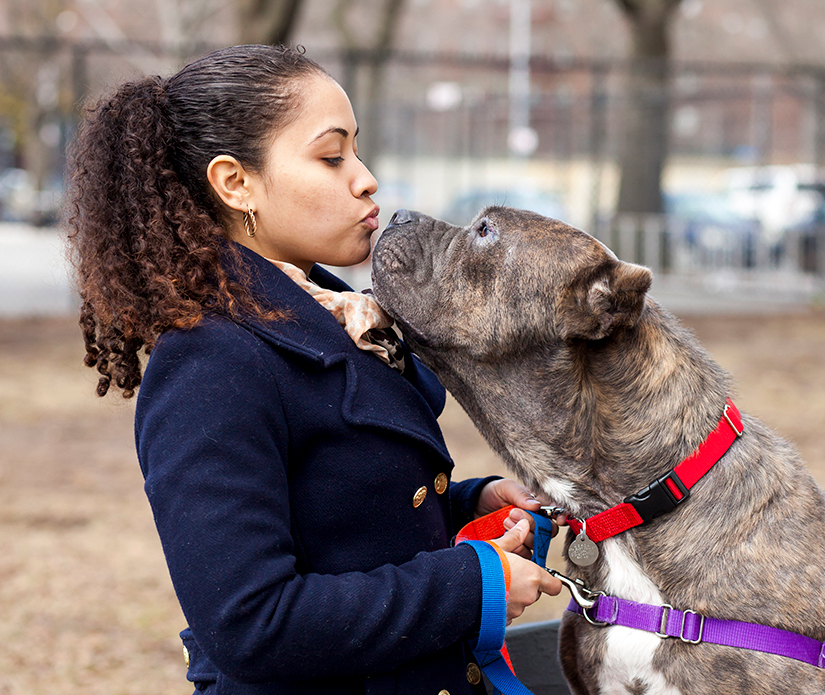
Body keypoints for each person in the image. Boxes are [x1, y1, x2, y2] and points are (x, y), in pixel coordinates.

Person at [65, 44, 561, 695]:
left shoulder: (339, 319)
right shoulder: (209, 363)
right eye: (332, 156)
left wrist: (474, 503)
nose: (365, 178)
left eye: (356, 150)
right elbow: (251, 622)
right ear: (235, 182)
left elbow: (344, 517)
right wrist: (472, 583)